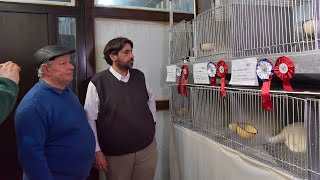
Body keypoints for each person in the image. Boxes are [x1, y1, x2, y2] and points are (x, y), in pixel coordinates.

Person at [14, 45, 95, 180]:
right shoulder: (33, 106)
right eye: (63, 63)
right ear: (46, 69)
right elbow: (31, 158)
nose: (71, 67)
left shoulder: (67, 92)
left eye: (70, 62)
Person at [84, 37, 157, 180]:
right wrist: (97, 151)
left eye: (131, 51)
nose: (132, 56)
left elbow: (151, 100)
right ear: (113, 56)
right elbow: (89, 118)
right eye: (126, 52)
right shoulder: (98, 82)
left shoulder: (139, 76)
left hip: (146, 150)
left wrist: (152, 125)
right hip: (116, 155)